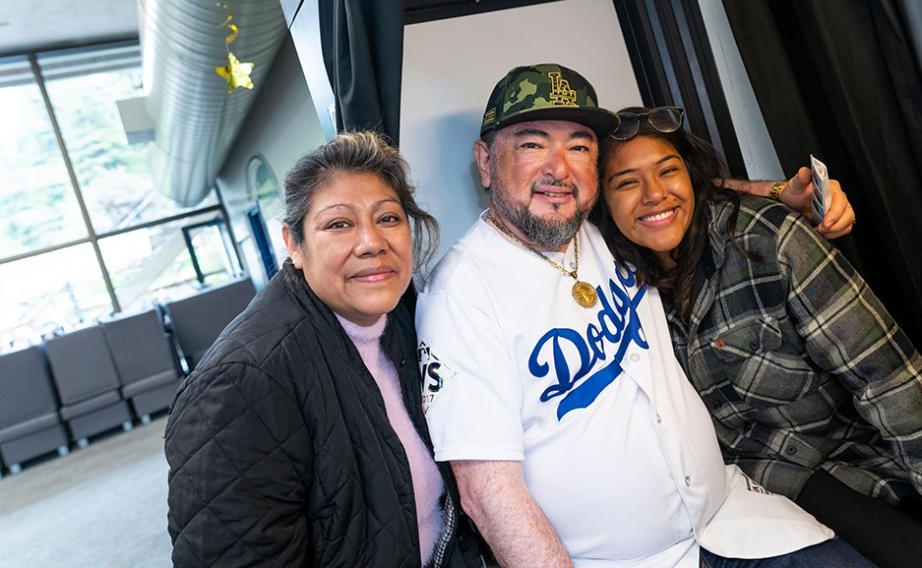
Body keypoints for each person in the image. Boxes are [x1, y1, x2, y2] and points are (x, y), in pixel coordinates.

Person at [417, 63, 873, 567]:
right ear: (485, 162)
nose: (559, 168)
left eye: (580, 146)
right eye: (532, 143)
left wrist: (779, 193)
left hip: (734, 520)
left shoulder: (601, 223)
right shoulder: (460, 294)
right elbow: (488, 492)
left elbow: (673, 190)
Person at [593, 106, 922, 568]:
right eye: (626, 182)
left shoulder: (769, 242)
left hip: (857, 467)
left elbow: (897, 389)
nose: (654, 194)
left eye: (668, 171)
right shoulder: (613, 286)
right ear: (602, 202)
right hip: (748, 499)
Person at [165, 132, 485, 568]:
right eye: (339, 224)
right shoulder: (244, 381)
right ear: (294, 244)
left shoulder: (410, 314)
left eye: (388, 218)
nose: (372, 242)